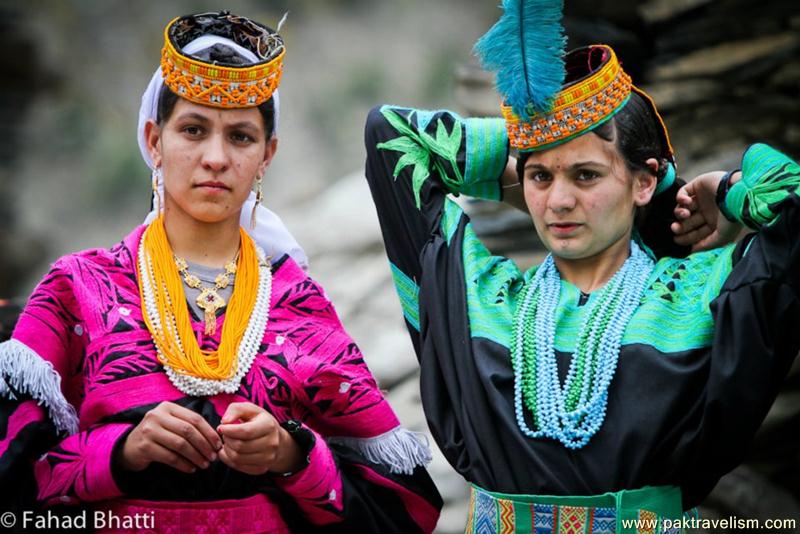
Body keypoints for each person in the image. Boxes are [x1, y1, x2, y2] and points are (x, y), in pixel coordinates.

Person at [363, 1, 799, 531]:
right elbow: (389, 136)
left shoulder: (701, 293)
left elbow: (792, 210)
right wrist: (536, 136)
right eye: (541, 178)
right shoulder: (482, 298)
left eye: (587, 176)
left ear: (643, 181)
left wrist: (724, 190)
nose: (558, 202)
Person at [0, 11, 441, 533]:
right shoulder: (78, 290)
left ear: (266, 155)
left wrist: (290, 453)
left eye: (240, 137)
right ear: (154, 140)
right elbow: (13, 491)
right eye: (192, 130)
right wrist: (118, 452)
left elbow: (404, 510)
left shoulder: (297, 304)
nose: (215, 158)